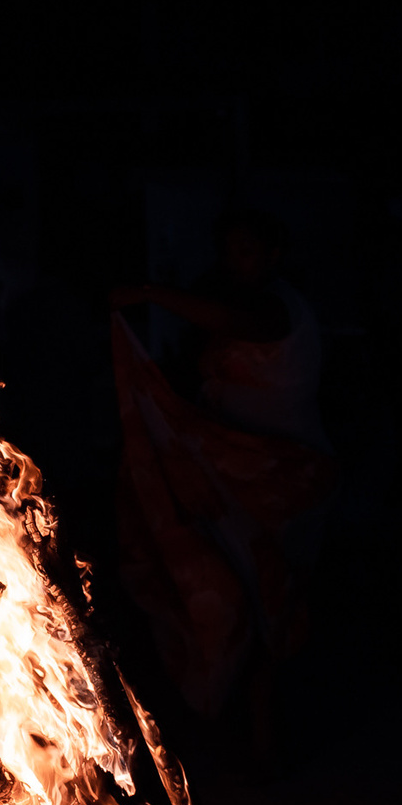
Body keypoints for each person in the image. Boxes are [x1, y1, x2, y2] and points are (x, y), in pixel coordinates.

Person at [108, 209, 335, 772]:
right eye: (231, 253)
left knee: (271, 605)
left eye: (249, 252)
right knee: (231, 601)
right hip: (232, 480)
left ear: (273, 255)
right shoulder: (228, 311)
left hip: (283, 477)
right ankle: (243, 738)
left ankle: (271, 744)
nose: (238, 264)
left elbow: (243, 325)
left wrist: (150, 293)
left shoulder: (277, 308)